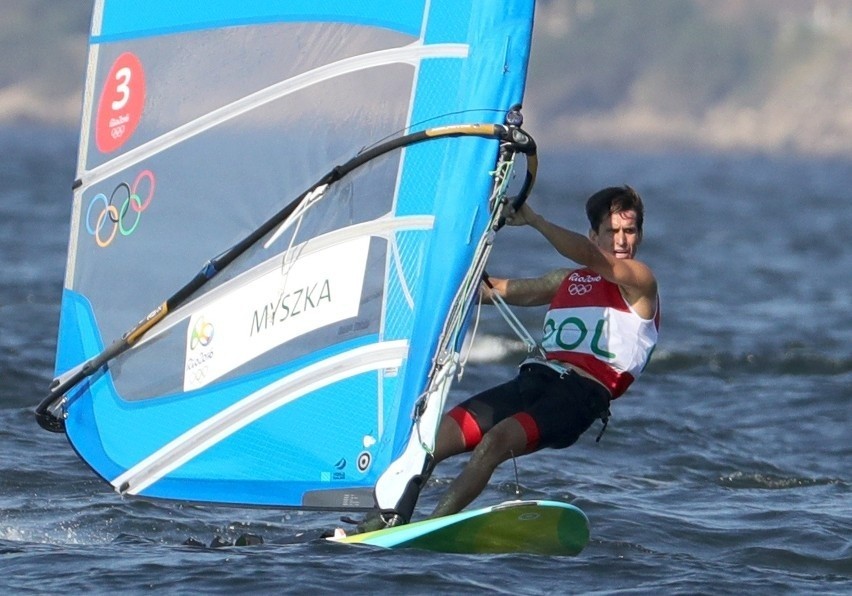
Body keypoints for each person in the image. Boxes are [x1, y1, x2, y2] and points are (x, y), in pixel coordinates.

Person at [425, 185, 660, 519]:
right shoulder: (567, 280)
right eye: (612, 231)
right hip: (534, 380)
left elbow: (593, 259)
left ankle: (433, 525)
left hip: (579, 397)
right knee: (436, 438)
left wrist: (535, 220)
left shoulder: (641, 283)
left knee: (495, 442)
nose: (621, 240)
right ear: (594, 235)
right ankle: (382, 517)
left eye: (629, 231)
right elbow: (497, 292)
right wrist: (435, 276)